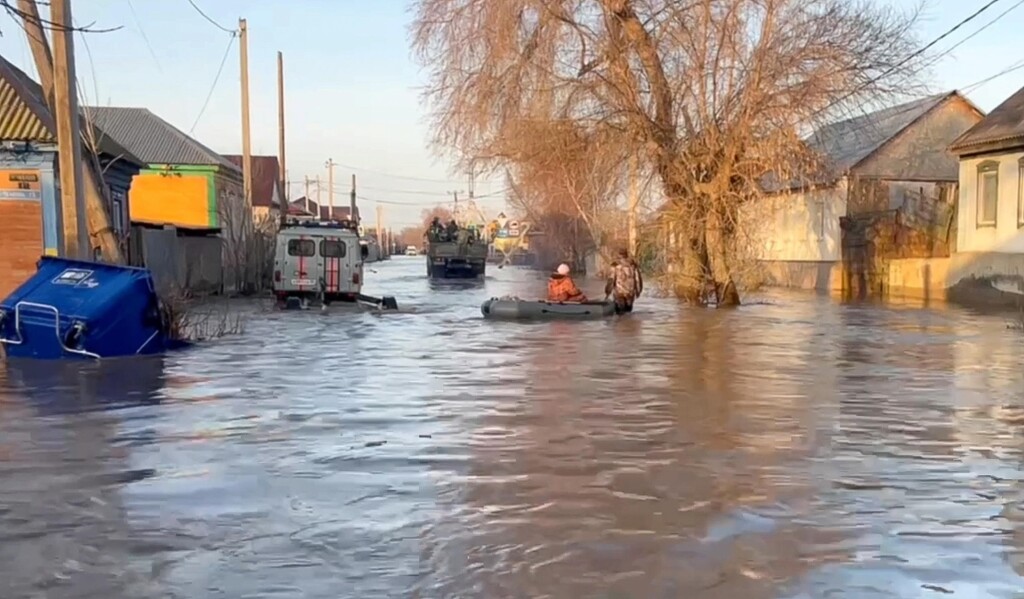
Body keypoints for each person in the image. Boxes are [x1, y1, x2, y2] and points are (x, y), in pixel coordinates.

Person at [604, 248, 643, 314]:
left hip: (619, 293)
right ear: (626, 254)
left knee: (620, 314)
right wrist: (638, 291)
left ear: (618, 255)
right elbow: (638, 279)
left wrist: (608, 292)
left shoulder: (615, 265)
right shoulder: (633, 265)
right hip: (630, 293)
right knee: (628, 312)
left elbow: (611, 280)